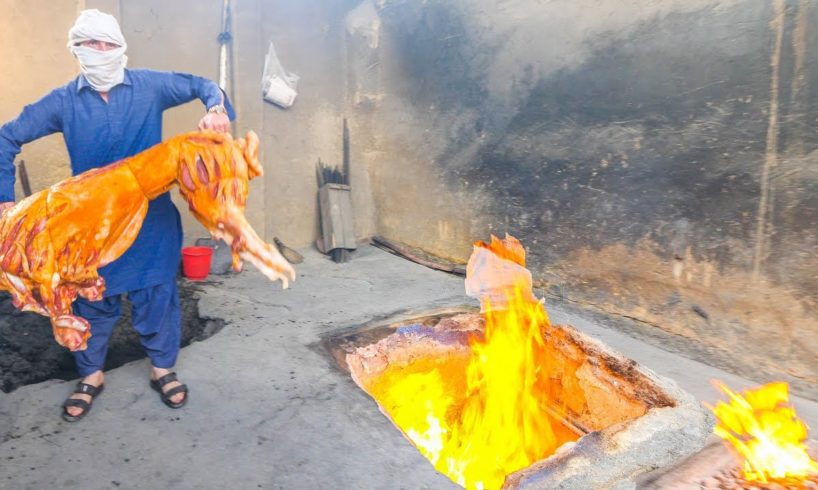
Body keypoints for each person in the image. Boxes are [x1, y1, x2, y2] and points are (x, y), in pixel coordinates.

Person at [0, 9, 234, 421]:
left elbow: (204, 85)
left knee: (157, 296)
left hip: (151, 220)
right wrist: (4, 202)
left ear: (122, 48)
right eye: (92, 44)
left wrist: (216, 106)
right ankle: (91, 376)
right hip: (91, 229)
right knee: (92, 301)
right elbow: (6, 137)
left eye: (110, 44)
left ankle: (163, 369)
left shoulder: (150, 87)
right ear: (77, 49)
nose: (102, 52)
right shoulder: (61, 102)